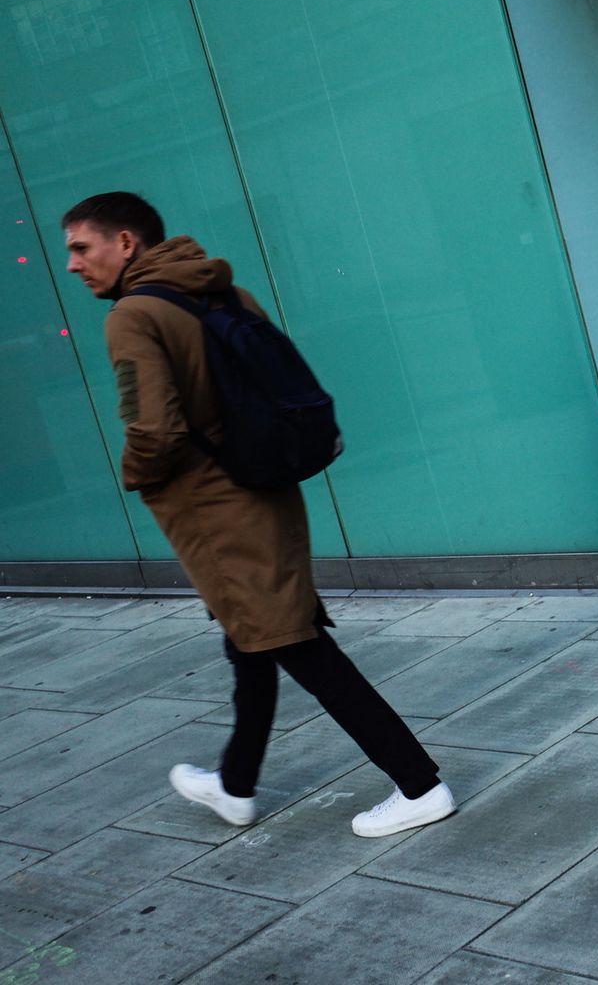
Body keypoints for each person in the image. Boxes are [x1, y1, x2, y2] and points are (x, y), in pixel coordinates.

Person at [61, 191, 454, 838]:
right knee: (251, 639)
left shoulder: (133, 316)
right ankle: (236, 785)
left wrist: (134, 475)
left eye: (81, 247)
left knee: (295, 643)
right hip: (265, 490)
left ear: (125, 243)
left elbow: (153, 430)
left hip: (218, 517)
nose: (74, 264)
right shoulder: (220, 291)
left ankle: (420, 786)